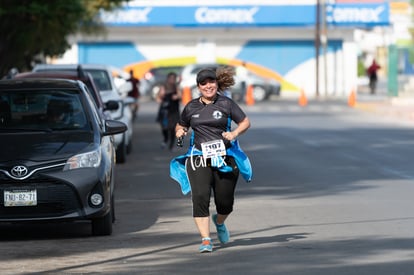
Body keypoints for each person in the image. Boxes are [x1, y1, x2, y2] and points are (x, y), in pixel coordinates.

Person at [171, 66, 252, 253]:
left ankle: (220, 221)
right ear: (198, 87)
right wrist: (180, 132)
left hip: (225, 158)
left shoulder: (227, 104)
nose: (208, 86)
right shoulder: (191, 107)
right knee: (200, 197)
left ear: (217, 84)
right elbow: (180, 125)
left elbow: (245, 122)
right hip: (198, 157)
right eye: (203, 83)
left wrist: (234, 133)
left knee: (225, 203)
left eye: (211, 82)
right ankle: (206, 239)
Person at [156, 72, 181, 150]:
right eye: (170, 78)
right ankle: (165, 139)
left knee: (173, 128)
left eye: (173, 78)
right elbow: (158, 98)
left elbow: (180, 95)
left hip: (174, 111)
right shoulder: (163, 87)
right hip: (165, 111)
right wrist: (161, 96)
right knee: (164, 128)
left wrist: (176, 96)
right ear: (168, 79)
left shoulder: (176, 87)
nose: (172, 80)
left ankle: (171, 144)